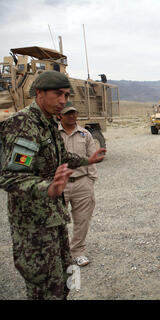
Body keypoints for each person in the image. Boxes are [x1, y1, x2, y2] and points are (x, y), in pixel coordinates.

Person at [0, 70, 106, 299]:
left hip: (53, 218)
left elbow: (62, 157)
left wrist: (89, 160)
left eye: (66, 95)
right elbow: (11, 176)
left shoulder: (48, 123)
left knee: (62, 282)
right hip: (34, 226)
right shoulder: (23, 125)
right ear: (39, 93)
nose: (63, 101)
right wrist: (47, 188)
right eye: (58, 94)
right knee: (43, 285)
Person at [58, 102, 98, 267]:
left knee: (82, 220)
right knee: (57, 221)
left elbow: (92, 158)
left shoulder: (85, 134)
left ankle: (78, 252)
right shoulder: (52, 134)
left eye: (74, 113)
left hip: (82, 183)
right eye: (68, 113)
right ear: (60, 116)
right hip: (59, 185)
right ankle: (60, 254)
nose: (72, 116)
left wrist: (91, 180)